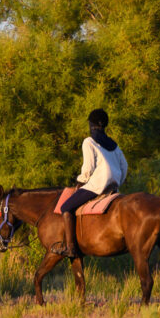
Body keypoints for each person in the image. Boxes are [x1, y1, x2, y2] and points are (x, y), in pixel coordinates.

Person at [56, 108, 128, 258]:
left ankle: (70, 248)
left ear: (91, 124)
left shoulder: (88, 141)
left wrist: (80, 181)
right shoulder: (114, 145)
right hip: (113, 186)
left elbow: (88, 169)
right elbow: (124, 166)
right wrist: (117, 183)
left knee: (66, 207)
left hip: (97, 186)